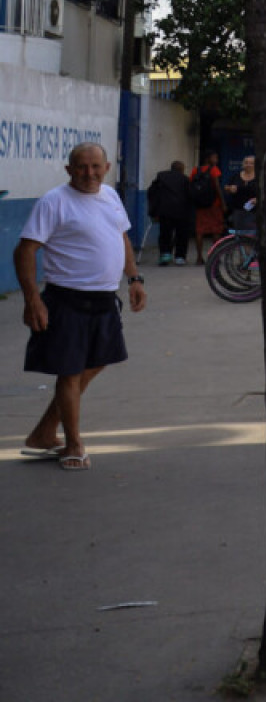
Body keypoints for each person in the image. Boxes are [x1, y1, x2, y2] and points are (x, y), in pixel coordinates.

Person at [14, 143, 147, 471]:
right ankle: (73, 443)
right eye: (82, 167)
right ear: (69, 169)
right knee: (70, 372)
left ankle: (45, 432)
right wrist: (32, 298)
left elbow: (123, 239)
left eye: (95, 167)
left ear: (106, 168)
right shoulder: (54, 201)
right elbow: (25, 251)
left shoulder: (111, 196)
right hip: (66, 300)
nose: (89, 173)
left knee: (96, 362)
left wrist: (134, 279)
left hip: (104, 300)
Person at [145, 159, 195, 267]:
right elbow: (190, 195)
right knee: (181, 235)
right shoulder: (185, 179)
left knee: (165, 234)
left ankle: (165, 256)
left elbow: (152, 191)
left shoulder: (161, 176)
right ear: (181, 169)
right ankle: (179, 257)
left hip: (165, 211)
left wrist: (154, 209)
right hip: (182, 212)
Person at [190, 150, 225, 263]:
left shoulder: (195, 170)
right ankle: (215, 256)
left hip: (200, 205)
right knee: (216, 230)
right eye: (215, 157)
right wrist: (223, 203)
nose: (216, 160)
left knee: (200, 231)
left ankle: (199, 257)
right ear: (207, 158)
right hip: (214, 205)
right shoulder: (214, 170)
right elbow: (217, 187)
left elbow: (191, 186)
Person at [223, 155, 260, 232]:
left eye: (251, 163)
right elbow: (225, 187)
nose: (248, 165)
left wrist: (258, 199)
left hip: (254, 212)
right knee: (239, 235)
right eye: (246, 163)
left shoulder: (259, 177)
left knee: (252, 235)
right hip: (238, 211)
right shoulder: (236, 176)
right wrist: (230, 188)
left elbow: (265, 192)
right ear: (243, 164)